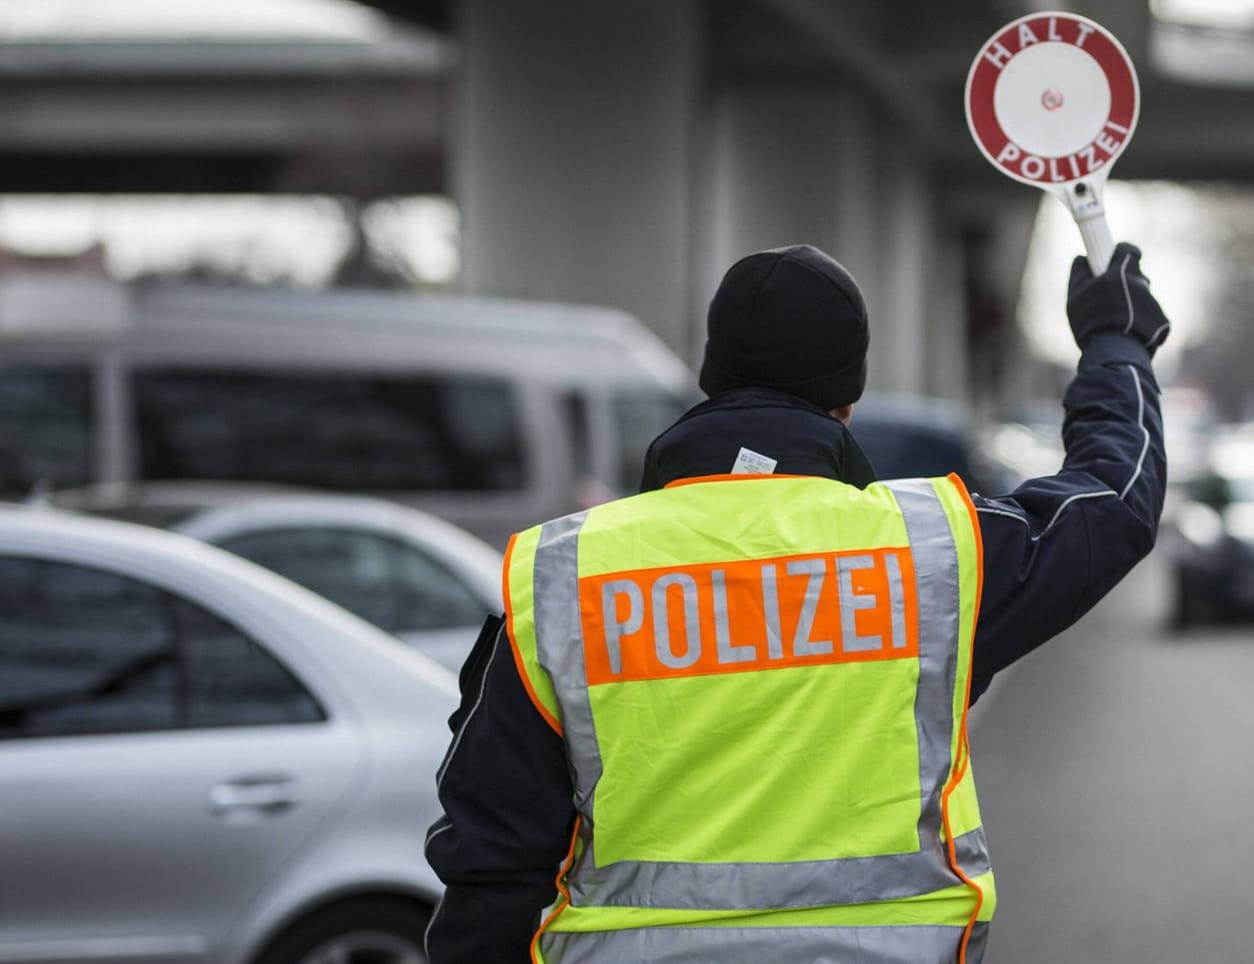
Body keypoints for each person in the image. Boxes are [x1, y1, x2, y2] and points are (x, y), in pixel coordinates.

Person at [426, 242, 1169, 963]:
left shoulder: (565, 575)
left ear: (711, 378)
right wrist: (1116, 347)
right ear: (846, 401)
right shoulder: (932, 555)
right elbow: (1111, 502)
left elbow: (492, 862)